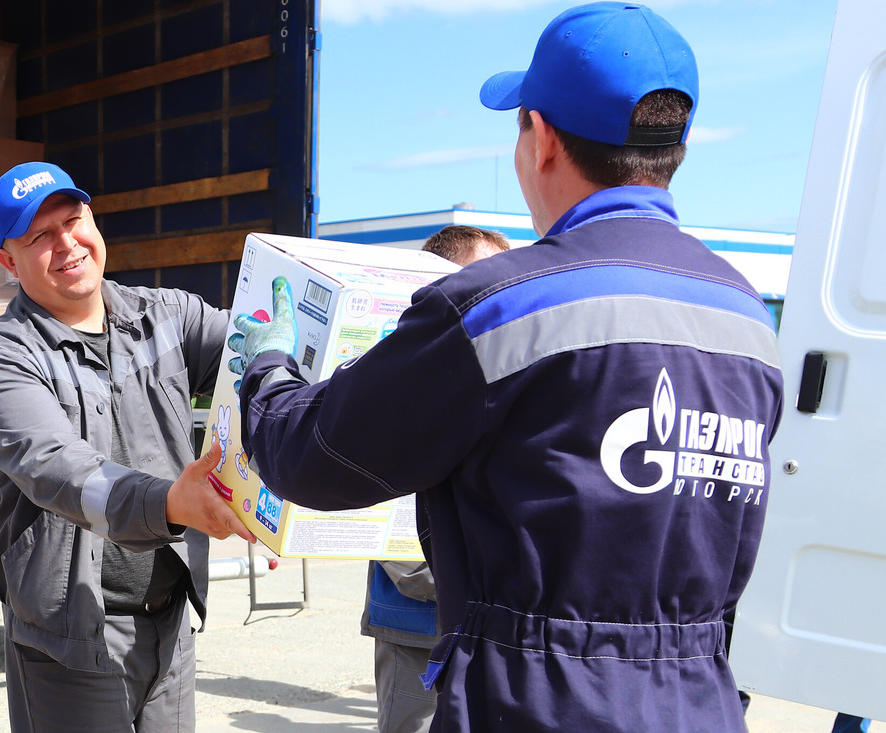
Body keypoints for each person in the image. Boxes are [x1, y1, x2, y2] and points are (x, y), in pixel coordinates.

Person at [229, 3, 784, 731]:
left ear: (543, 138)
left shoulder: (496, 309)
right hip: (699, 698)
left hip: (537, 699)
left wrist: (268, 365)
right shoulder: (747, 318)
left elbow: (314, 458)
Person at [0, 161, 256, 733]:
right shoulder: (1, 357)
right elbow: (59, 471)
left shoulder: (166, 316)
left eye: (73, 221)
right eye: (39, 237)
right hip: (71, 642)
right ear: (8, 260)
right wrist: (172, 503)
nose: (66, 244)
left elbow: (256, 357)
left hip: (170, 623)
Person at [364, 225, 510, 733]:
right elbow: (380, 518)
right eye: (485, 277)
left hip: (491, 630)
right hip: (417, 627)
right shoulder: (394, 373)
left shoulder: (503, 373)